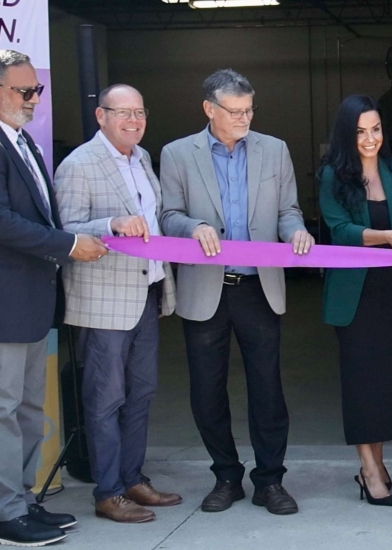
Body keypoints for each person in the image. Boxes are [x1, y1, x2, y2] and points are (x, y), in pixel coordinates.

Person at [160, 69, 314, 516]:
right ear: (210, 109)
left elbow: (288, 211)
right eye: (235, 111)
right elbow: (167, 215)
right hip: (204, 288)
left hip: (258, 287)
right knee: (207, 390)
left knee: (267, 389)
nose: (245, 118)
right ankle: (226, 476)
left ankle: (270, 481)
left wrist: (297, 232)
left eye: (249, 110)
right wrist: (194, 227)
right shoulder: (176, 154)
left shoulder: (275, 150)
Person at [55, 84, 182, 524]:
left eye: (140, 112)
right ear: (100, 116)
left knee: (141, 393)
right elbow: (66, 228)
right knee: (106, 398)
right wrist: (111, 223)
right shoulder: (78, 165)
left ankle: (132, 479)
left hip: (147, 290)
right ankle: (107, 491)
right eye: (122, 112)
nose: (133, 120)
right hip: (103, 299)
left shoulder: (142, 159)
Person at [0, 49, 105, 546]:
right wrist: (67, 245)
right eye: (25, 91)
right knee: (3, 410)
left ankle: (20, 501)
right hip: (5, 303)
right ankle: (5, 510)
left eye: (36, 89)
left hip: (32, 302)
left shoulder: (24, 144)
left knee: (25, 411)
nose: (34, 99)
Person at [319, 94, 392, 507]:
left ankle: (377, 463)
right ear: (347, 134)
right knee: (361, 385)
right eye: (361, 131)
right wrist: (385, 237)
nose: (370, 138)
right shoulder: (333, 175)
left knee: (386, 386)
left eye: (376, 129)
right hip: (355, 298)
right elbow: (339, 229)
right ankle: (369, 470)